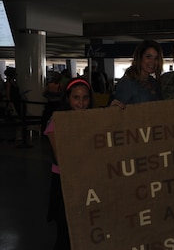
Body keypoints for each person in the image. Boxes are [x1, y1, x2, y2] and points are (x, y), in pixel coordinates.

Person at [44, 77, 94, 250]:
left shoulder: (91, 118)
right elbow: (61, 159)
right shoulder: (57, 122)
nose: (81, 103)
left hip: (86, 180)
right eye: (76, 98)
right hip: (65, 182)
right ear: (67, 98)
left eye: (85, 98)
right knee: (66, 231)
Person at [110, 40, 163, 109]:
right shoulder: (127, 83)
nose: (152, 62)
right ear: (139, 57)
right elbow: (117, 112)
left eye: (156, 58)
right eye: (148, 57)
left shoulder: (154, 83)